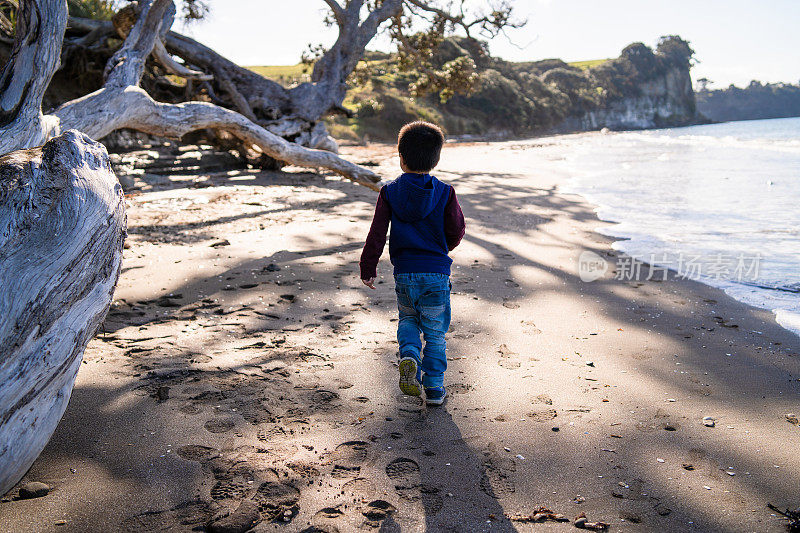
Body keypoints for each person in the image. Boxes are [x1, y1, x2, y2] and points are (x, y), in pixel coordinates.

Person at [359, 121, 465, 405]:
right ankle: (433, 389)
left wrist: (368, 268)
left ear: (401, 158)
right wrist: (443, 249)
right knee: (435, 333)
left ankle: (408, 354)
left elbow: (377, 233)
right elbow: (456, 230)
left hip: (405, 273)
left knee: (408, 318)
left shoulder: (390, 191)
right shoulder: (445, 192)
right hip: (436, 275)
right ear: (436, 158)